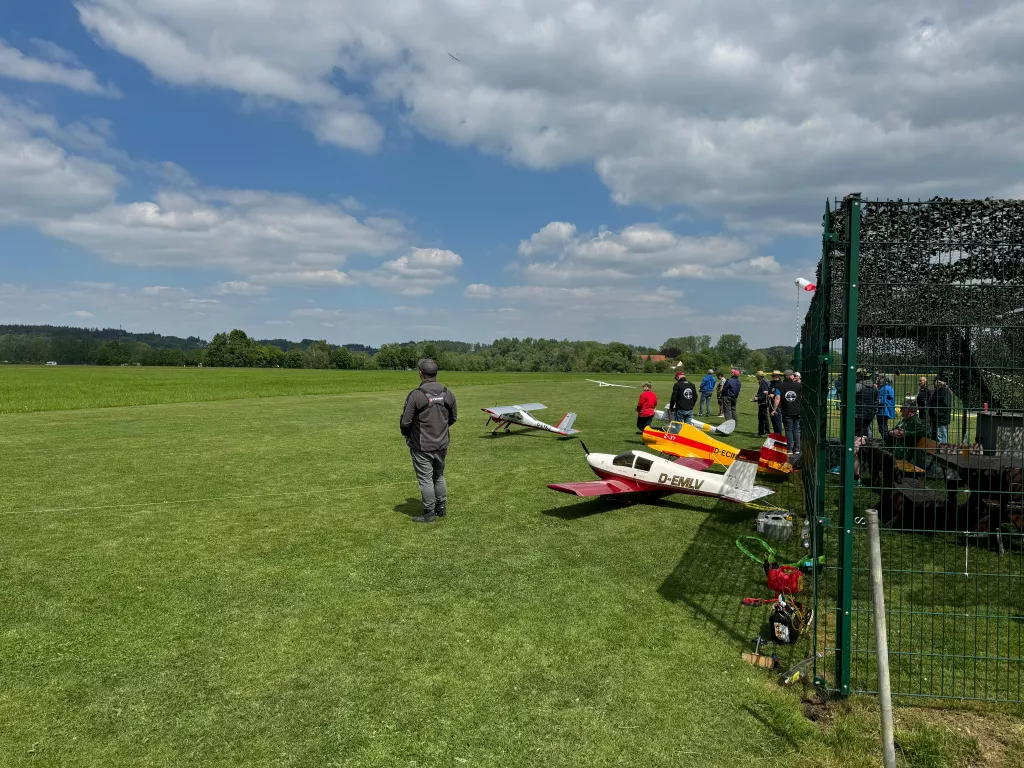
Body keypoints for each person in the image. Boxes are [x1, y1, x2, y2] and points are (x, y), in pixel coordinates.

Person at [400, 358, 457, 523]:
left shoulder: (416, 395)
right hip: (442, 444)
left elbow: (405, 422)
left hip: (422, 446)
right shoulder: (448, 393)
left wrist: (407, 435)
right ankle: (441, 509)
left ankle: (429, 514)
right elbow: (453, 418)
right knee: (438, 476)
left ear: (420, 373)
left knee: (426, 479)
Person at [778, 369, 801, 454]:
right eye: (793, 375)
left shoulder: (781, 386)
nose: (794, 377)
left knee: (789, 430)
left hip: (786, 411)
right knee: (796, 430)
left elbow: (777, 398)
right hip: (797, 410)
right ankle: (797, 449)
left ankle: (790, 449)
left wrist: (775, 408)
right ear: (791, 376)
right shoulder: (799, 386)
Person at [854, 370, 876, 438]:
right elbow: (876, 401)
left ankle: (857, 446)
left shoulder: (858, 386)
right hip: (870, 413)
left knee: (857, 433)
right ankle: (868, 444)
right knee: (867, 430)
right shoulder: (874, 387)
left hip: (858, 414)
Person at [932, 375, 953, 444]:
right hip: (939, 416)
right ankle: (941, 450)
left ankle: (943, 451)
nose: (934, 383)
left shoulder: (945, 391)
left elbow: (946, 406)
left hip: (942, 417)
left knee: (941, 435)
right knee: (939, 434)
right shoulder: (940, 390)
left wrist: (937, 412)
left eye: (935, 381)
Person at [753, 370, 772, 436]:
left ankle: (766, 432)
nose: (757, 377)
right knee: (761, 417)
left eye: (757, 376)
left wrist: (758, 398)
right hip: (762, 402)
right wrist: (757, 395)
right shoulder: (762, 382)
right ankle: (761, 432)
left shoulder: (763, 383)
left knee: (764, 417)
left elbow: (765, 394)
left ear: (759, 377)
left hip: (763, 403)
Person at [769, 371, 784, 435]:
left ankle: (779, 435)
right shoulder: (771, 383)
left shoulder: (780, 384)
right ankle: (775, 434)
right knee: (773, 421)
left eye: (774, 376)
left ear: (778, 376)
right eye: (772, 376)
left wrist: (773, 396)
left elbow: (780, 395)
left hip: (778, 405)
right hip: (771, 404)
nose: (773, 377)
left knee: (777, 421)